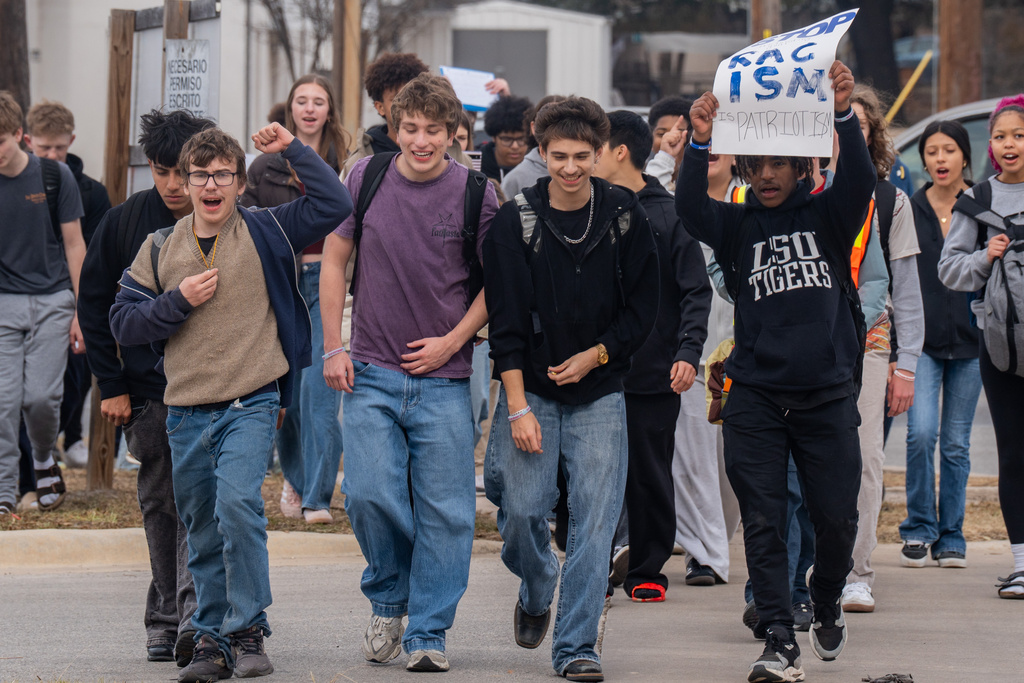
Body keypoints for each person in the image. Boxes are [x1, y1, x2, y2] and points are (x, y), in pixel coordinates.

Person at [110, 123, 353, 681]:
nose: (211, 185)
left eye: (223, 174)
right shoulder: (159, 247)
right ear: (189, 184)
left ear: (240, 183)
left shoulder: (268, 229)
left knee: (238, 507)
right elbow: (123, 321)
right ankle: (213, 640)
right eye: (202, 176)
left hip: (251, 402)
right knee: (200, 525)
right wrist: (176, 302)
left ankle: (247, 628)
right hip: (186, 410)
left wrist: (291, 148)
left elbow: (335, 202)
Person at [677, 62, 875, 682]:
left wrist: (843, 111)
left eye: (779, 165)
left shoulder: (831, 216)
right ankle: (778, 636)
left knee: (837, 517)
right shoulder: (737, 227)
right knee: (762, 518)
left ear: (803, 167)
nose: (765, 175)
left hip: (827, 394)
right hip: (757, 394)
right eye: (755, 165)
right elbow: (688, 205)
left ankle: (825, 599)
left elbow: (861, 178)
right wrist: (700, 138)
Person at [321, 72, 499, 673]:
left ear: (454, 133)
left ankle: (428, 632)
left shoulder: (478, 192)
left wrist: (451, 340)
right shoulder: (365, 177)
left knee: (447, 511)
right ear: (394, 129)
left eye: (433, 131)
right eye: (410, 129)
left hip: (447, 379)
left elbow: (497, 285)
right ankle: (389, 597)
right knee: (367, 492)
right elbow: (336, 257)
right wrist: (332, 346)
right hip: (369, 369)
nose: (421, 141)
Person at [483, 96, 658, 682]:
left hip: (601, 391)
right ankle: (536, 588)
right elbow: (504, 324)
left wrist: (597, 355)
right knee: (523, 514)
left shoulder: (626, 215)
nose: (571, 168)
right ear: (541, 152)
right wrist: (515, 408)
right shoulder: (516, 219)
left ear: (602, 153)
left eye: (583, 156)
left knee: (596, 521)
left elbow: (643, 311)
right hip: (530, 390)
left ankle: (577, 645)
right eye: (559, 156)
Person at [78, 108, 213, 666]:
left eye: (185, 171)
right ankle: (164, 616)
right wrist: (110, 386)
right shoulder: (126, 220)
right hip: (147, 392)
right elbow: (92, 304)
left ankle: (195, 617)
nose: (176, 185)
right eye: (163, 172)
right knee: (161, 501)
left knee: (204, 504)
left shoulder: (225, 216)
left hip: (213, 385)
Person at [593, 109, 711, 602]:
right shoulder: (587, 210)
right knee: (588, 477)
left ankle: (647, 568)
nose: (583, 160)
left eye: (593, 149)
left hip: (654, 371)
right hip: (592, 372)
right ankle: (591, 567)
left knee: (649, 474)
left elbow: (695, 291)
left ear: (619, 152)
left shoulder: (669, 214)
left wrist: (687, 351)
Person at [242, 74, 350, 525]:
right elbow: (246, 222)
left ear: (330, 110)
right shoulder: (264, 166)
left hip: (330, 279)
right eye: (300, 101)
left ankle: (318, 497)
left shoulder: (347, 159)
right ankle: (297, 477)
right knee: (288, 392)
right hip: (284, 284)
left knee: (322, 393)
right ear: (289, 109)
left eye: (318, 101)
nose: (309, 109)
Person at [839, 86, 924, 613]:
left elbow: (907, 291)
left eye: (858, 125)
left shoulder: (891, 199)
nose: (846, 133)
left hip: (869, 344)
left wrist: (906, 365)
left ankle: (857, 571)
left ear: (871, 136)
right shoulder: (799, 191)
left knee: (865, 456)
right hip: (807, 343)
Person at [938, 95, 1024, 600]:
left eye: (1017, 135)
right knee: (1013, 454)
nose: (1009, 145)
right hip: (1000, 346)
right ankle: (1020, 564)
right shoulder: (978, 199)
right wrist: (985, 258)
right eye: (1000, 137)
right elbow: (949, 268)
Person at [894, 119, 981, 572]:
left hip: (972, 343)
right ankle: (918, 528)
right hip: (922, 344)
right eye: (931, 151)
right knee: (921, 433)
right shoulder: (909, 206)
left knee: (956, 445)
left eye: (949, 150)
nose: (940, 159)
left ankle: (952, 536)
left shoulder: (981, 205)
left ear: (965, 156)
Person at [0, 90, 85, 516]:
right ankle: (4, 489)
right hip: (4, 304)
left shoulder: (53, 177)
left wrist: (79, 312)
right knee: (3, 400)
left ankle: (42, 457)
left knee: (39, 399)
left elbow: (74, 244)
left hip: (53, 299)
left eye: (0, 141)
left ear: (20, 136)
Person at [23, 100, 113, 470]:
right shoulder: (17, 186)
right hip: (26, 292)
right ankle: (35, 455)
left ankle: (68, 437)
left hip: (74, 291)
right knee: (24, 385)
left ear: (71, 141)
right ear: (27, 141)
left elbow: (92, 251)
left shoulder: (91, 192)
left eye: (60, 147)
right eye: (45, 148)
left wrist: (83, 305)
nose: (53, 154)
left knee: (75, 375)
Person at [501, 95, 567, 200]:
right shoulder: (515, 178)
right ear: (534, 128)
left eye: (563, 125)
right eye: (547, 125)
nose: (556, 132)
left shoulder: (588, 171)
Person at [480, 94, 533, 182]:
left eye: (521, 139)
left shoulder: (538, 165)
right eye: (507, 139)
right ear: (494, 137)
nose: (515, 146)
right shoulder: (477, 164)